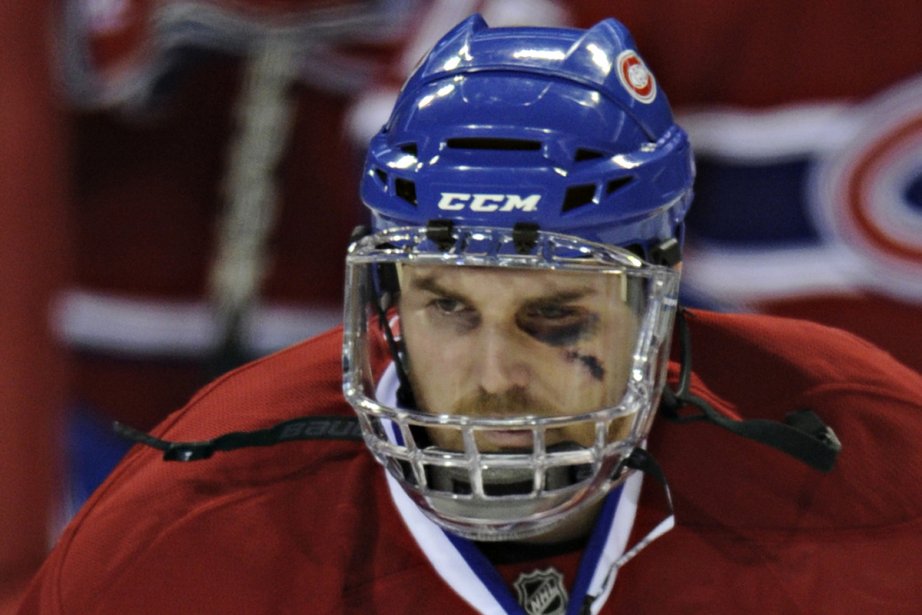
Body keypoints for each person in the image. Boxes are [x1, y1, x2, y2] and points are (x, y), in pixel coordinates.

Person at [17, 15, 922, 615]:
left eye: (557, 317)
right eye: (448, 305)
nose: (493, 376)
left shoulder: (872, 459)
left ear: (659, 288)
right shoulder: (184, 535)